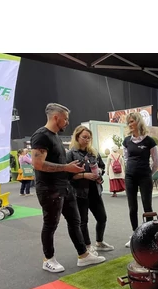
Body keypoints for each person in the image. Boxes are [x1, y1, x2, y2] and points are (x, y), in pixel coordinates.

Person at [31, 103, 106, 273]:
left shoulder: (55, 137)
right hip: (49, 189)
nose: (67, 122)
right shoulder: (41, 136)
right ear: (56, 117)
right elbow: (38, 164)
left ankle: (83, 255)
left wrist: (70, 169)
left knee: (75, 221)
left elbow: (58, 163)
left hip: (65, 187)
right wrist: (66, 168)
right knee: (50, 224)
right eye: (65, 119)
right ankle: (48, 259)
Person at [66, 125, 115, 254]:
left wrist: (99, 173)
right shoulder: (71, 154)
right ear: (77, 137)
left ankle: (99, 242)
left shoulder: (93, 152)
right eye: (84, 137)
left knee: (102, 218)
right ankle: (87, 246)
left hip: (95, 191)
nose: (87, 140)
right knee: (83, 221)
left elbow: (102, 167)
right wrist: (84, 175)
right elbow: (68, 176)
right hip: (79, 193)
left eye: (89, 137)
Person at [122, 112, 158, 247]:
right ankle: (135, 234)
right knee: (132, 207)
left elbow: (156, 162)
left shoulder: (149, 141)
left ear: (138, 122)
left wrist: (149, 173)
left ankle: (149, 235)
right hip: (130, 177)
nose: (130, 124)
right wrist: (130, 170)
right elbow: (126, 158)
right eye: (128, 122)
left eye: (132, 121)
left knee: (147, 206)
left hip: (145, 177)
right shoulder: (127, 141)